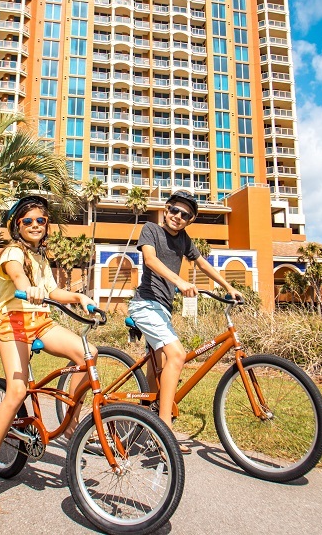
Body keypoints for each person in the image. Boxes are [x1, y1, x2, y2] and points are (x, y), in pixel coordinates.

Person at [0, 195, 97, 515]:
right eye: (28, 221)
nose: (35, 225)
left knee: (88, 354)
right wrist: (28, 288)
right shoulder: (13, 252)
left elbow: (52, 291)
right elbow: (18, 276)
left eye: (41, 220)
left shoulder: (41, 256)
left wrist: (79, 298)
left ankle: (71, 425)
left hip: (41, 323)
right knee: (16, 392)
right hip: (13, 324)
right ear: (17, 225)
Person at [128, 191, 242, 451]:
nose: (178, 216)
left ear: (190, 220)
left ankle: (148, 417)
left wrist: (228, 287)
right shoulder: (151, 229)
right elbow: (150, 259)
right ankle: (165, 431)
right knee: (177, 355)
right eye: (175, 210)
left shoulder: (184, 240)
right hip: (145, 304)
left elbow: (203, 264)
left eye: (185, 215)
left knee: (158, 369)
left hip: (163, 310)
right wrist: (179, 281)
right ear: (166, 209)